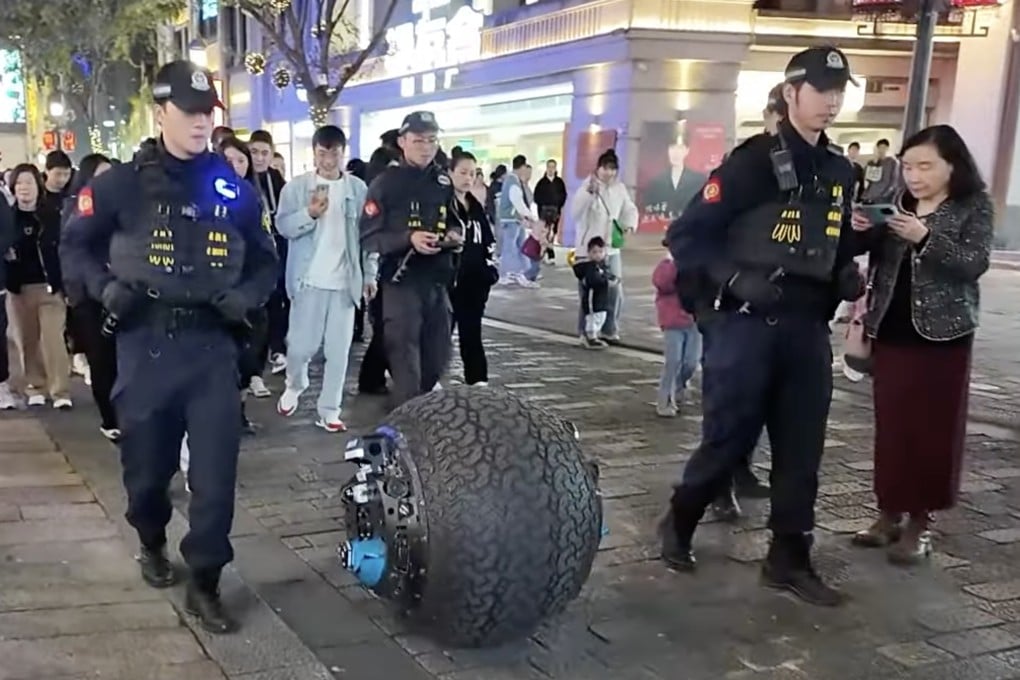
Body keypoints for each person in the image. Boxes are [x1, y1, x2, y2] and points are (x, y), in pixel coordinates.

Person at [60, 61, 278, 634]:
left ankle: (206, 579)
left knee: (214, 476)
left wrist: (246, 297)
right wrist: (106, 290)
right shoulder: (119, 185)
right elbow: (76, 246)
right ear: (161, 115)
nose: (203, 122)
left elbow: (263, 258)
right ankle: (151, 539)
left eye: (209, 112)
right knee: (147, 471)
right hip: (145, 343)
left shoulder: (232, 185)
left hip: (211, 347)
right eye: (190, 112)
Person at [660, 46, 865, 607]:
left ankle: (788, 557)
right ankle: (680, 521)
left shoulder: (840, 170)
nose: (830, 102)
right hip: (747, 324)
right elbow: (687, 236)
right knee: (727, 439)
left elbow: (834, 241)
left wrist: (845, 272)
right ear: (791, 93)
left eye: (838, 91)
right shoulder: (751, 162)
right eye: (821, 90)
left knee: (803, 447)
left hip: (805, 329)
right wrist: (730, 280)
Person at [849, 125, 993, 564]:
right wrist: (863, 230)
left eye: (925, 166)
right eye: (909, 166)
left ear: (953, 165)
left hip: (945, 335)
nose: (914, 176)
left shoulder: (973, 206)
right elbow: (876, 256)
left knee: (934, 430)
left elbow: (973, 264)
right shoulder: (898, 202)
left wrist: (925, 238)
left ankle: (921, 521)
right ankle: (888, 512)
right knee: (892, 426)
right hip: (891, 330)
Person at [360, 111, 461, 407]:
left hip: (437, 281)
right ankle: (405, 422)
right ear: (403, 142)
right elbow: (368, 236)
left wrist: (453, 235)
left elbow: (452, 218)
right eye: (418, 140)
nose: (426, 147)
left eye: (431, 140)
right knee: (405, 360)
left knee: (438, 353)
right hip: (400, 283)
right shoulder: (385, 183)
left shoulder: (442, 181)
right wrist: (408, 238)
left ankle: (419, 408)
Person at [275, 125, 369, 432]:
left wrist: (370, 274)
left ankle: (330, 409)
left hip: (344, 283)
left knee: (338, 351)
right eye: (322, 153)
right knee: (301, 346)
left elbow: (366, 239)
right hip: (308, 281)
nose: (329, 160)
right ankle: (296, 382)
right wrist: (310, 214)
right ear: (314, 153)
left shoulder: (357, 189)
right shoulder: (297, 188)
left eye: (335, 153)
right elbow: (284, 227)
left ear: (344, 153)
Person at [61, 153, 120, 438]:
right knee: (101, 358)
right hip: (89, 296)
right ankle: (109, 418)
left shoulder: (121, 207)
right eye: (101, 174)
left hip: (119, 291)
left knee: (121, 357)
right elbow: (71, 252)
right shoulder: (77, 208)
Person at [6, 163, 71, 409]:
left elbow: (65, 248)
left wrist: (64, 282)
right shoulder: (7, 217)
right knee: (27, 340)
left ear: (38, 185)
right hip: (19, 289)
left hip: (49, 287)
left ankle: (60, 391)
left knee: (53, 339)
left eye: (29, 182)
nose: (24, 188)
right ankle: (35, 385)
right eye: (19, 183)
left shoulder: (52, 215)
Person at [570, 149, 638, 345]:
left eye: (612, 169)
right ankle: (586, 331)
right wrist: (589, 195)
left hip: (611, 249)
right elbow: (575, 212)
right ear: (598, 168)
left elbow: (629, 208)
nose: (608, 173)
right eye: (605, 168)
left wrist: (629, 225)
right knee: (589, 292)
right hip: (589, 250)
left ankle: (609, 329)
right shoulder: (587, 187)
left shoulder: (619, 188)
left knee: (615, 289)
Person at [448, 149, 498, 385]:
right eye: (463, 172)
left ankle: (478, 380)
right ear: (450, 173)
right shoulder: (442, 205)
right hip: (447, 282)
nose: (468, 178)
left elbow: (488, 242)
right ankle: (428, 380)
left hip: (474, 282)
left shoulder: (476, 208)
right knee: (439, 336)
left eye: (473, 173)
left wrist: (489, 273)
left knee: (472, 334)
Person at [248, 130, 288, 375]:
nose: (259, 158)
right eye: (254, 152)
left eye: (264, 153)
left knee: (278, 299)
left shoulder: (277, 180)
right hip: (252, 251)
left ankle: (277, 348)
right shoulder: (243, 178)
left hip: (277, 248)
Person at [652, 239, 701, 417]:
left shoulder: (699, 264)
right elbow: (662, 283)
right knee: (673, 361)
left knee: (691, 362)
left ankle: (679, 386)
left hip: (694, 320)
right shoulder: (667, 266)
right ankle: (665, 400)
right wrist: (677, 266)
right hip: (672, 321)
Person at [572, 236, 616, 348]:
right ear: (589, 253)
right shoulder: (590, 267)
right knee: (593, 319)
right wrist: (606, 282)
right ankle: (591, 337)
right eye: (594, 252)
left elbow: (605, 275)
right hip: (593, 300)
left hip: (601, 299)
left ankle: (593, 336)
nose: (598, 255)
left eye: (600, 252)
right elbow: (593, 281)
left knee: (600, 317)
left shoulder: (602, 265)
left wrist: (612, 279)